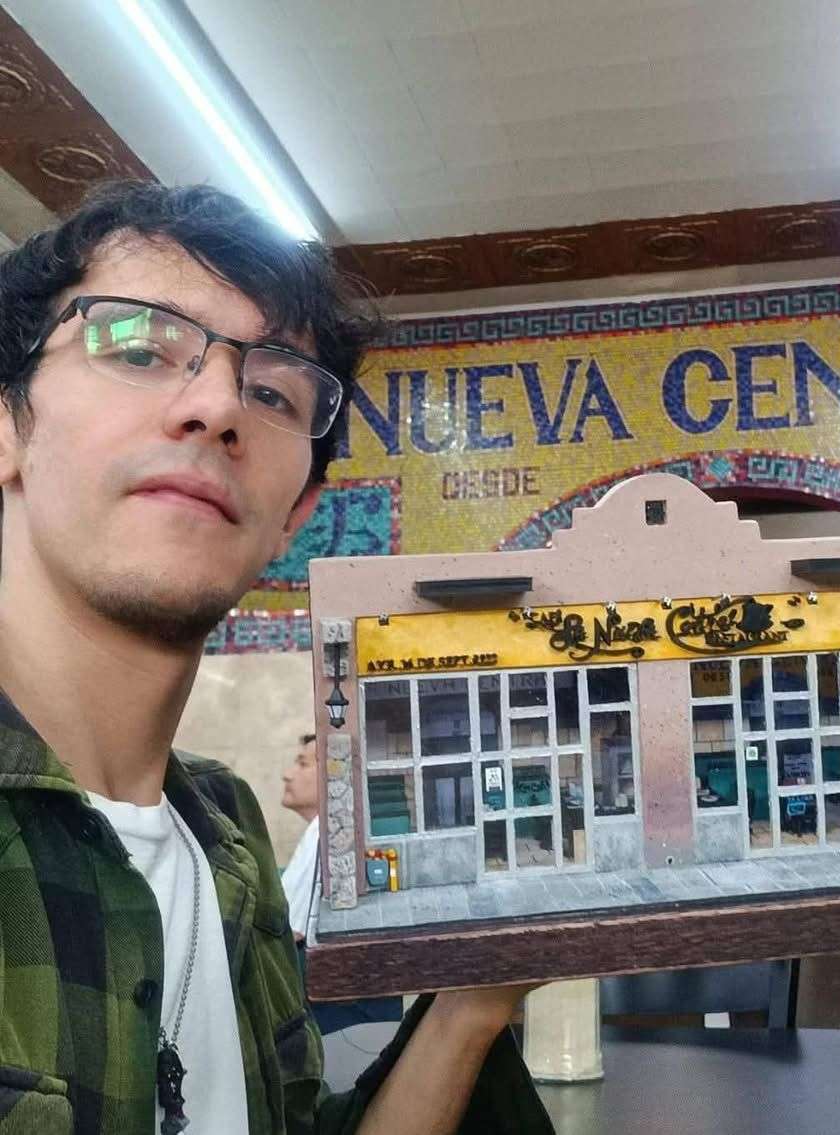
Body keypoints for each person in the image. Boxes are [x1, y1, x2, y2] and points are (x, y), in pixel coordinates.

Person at [0, 181, 551, 1135]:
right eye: (138, 347)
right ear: (9, 427)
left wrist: (474, 999)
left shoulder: (227, 834)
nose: (218, 405)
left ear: (295, 515)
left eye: (270, 392)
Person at [281, 732, 321, 940]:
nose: (287, 775)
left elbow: (292, 933)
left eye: (303, 764)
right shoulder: (315, 831)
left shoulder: (323, 837)